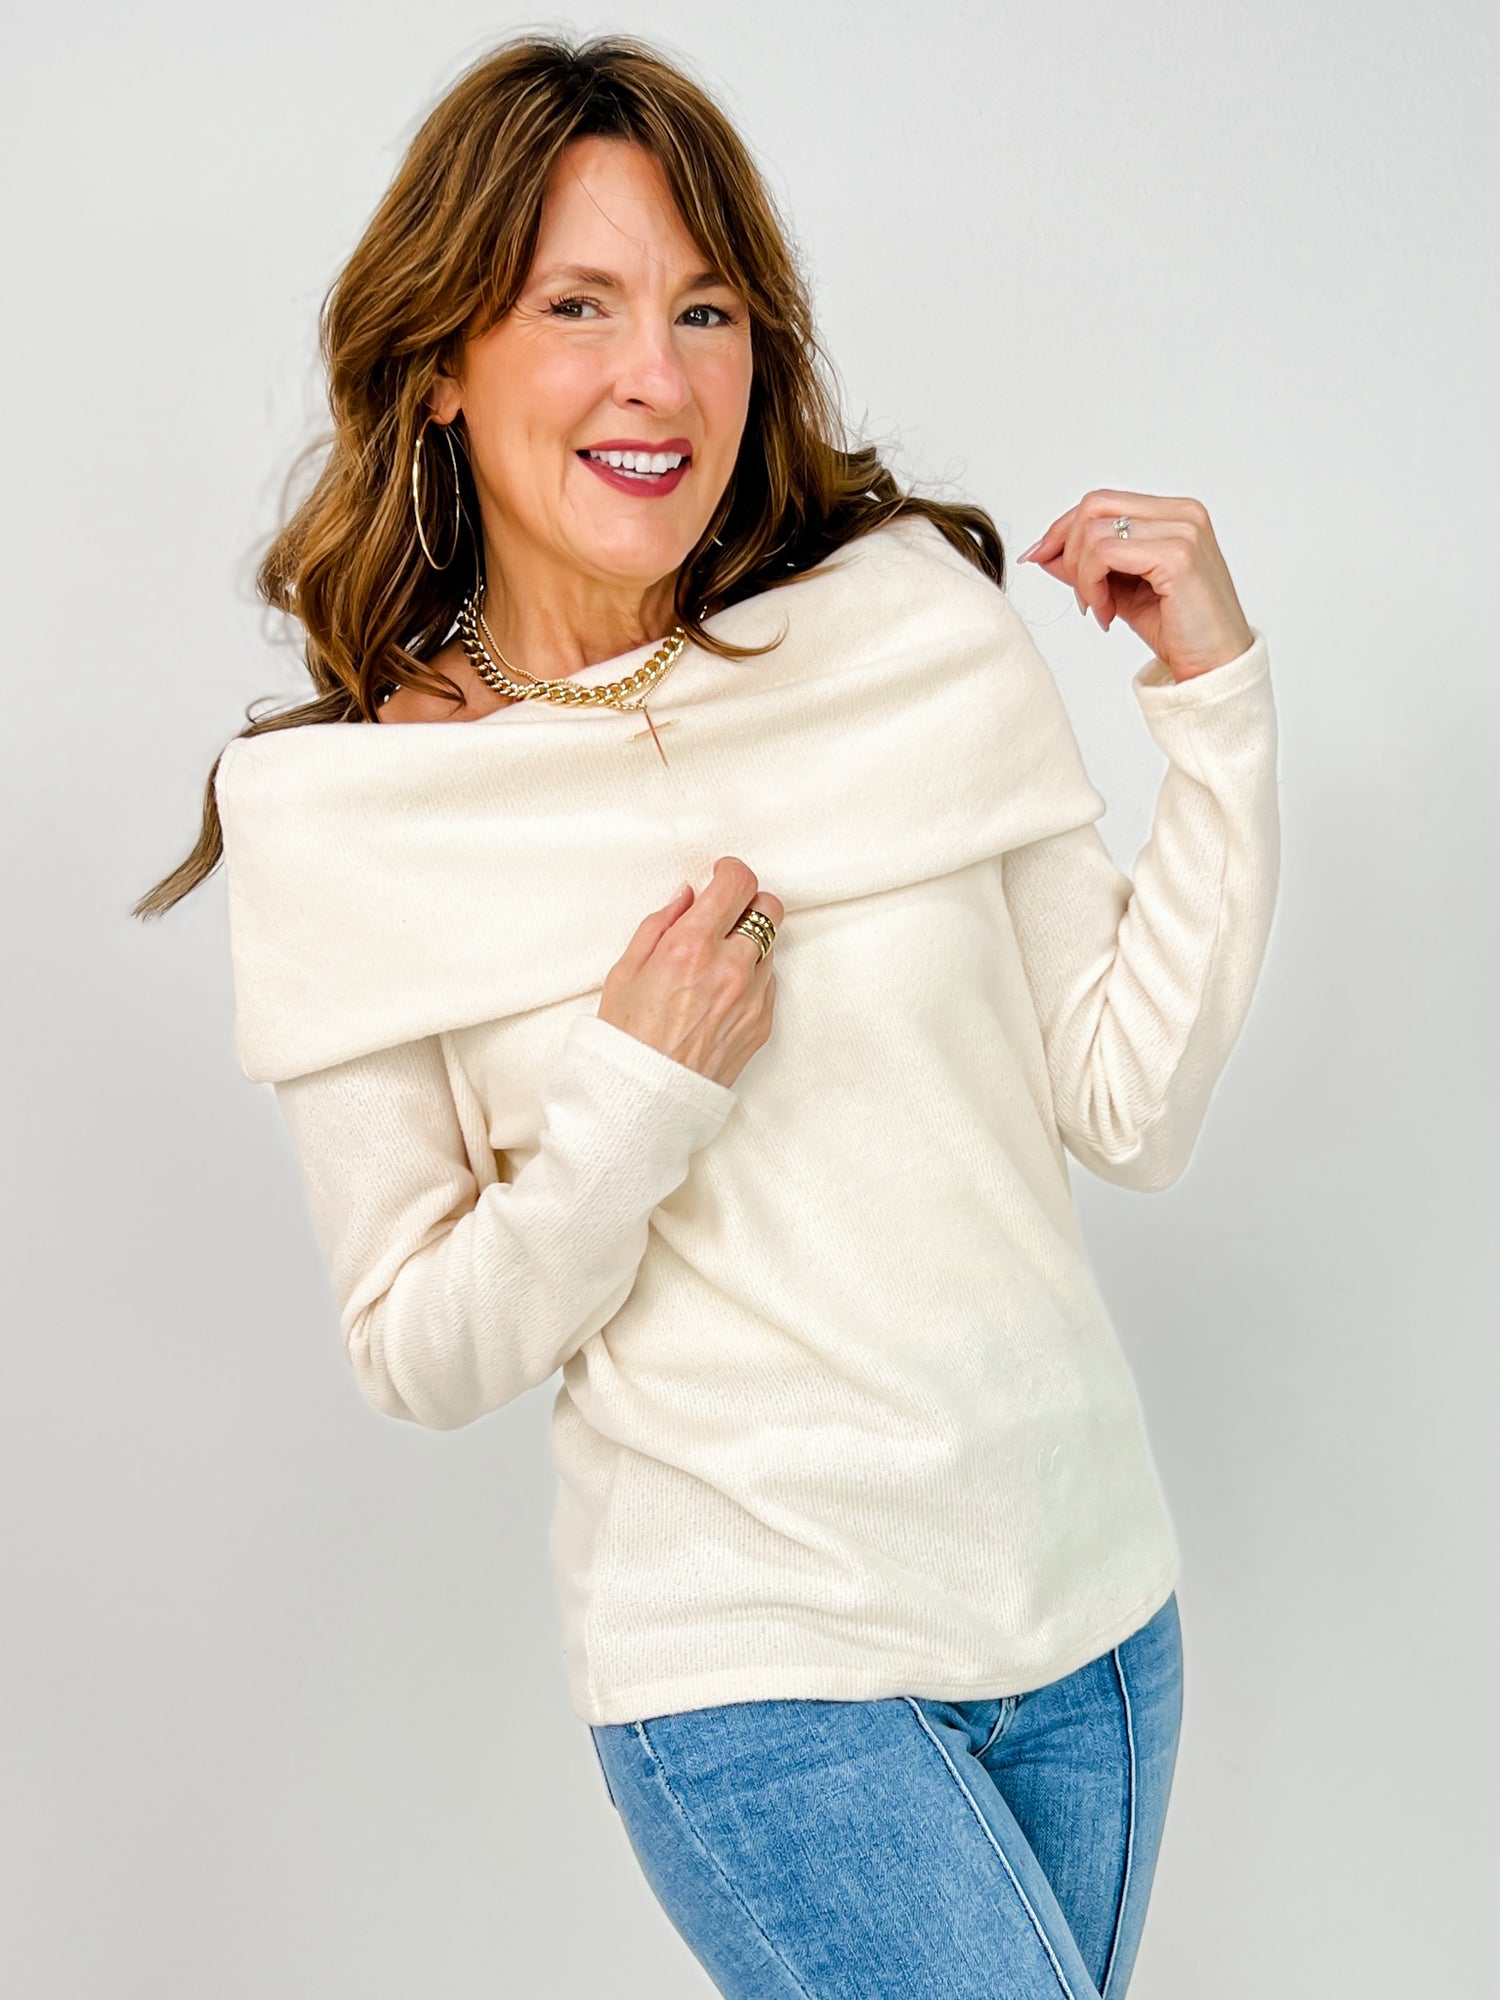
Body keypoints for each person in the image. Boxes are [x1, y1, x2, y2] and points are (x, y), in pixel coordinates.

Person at [134, 32, 1280, 1999]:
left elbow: (1129, 1103)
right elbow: (418, 1345)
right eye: (575, 307)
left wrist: (1217, 712)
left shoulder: (906, 627)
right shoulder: (350, 821)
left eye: (704, 307)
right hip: (756, 1674)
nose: (654, 377)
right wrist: (636, 1092)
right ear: (442, 361)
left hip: (1094, 1617)